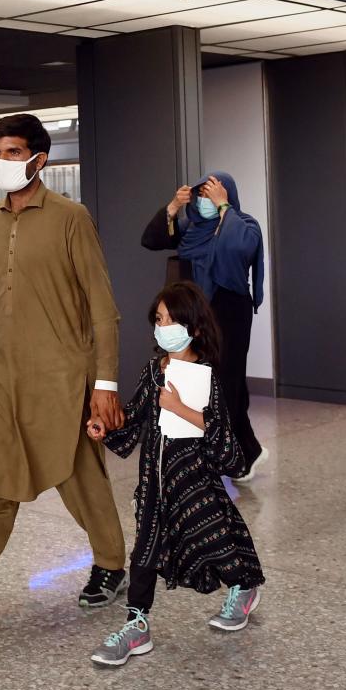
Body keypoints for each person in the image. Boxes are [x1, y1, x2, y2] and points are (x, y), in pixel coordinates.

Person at [0, 114, 128, 635]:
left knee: (78, 476)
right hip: (2, 378)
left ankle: (111, 564)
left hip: (61, 376)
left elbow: (103, 307)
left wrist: (104, 383)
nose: (2, 162)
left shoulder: (70, 217)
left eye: (13, 152)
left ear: (39, 159)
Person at [87, 282, 265, 666]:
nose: (161, 326)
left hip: (196, 484)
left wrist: (179, 407)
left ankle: (244, 586)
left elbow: (225, 444)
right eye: (158, 319)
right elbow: (133, 420)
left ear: (194, 327)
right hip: (155, 482)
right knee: (145, 552)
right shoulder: (155, 371)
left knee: (215, 541)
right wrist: (106, 429)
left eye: (168, 319)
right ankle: (137, 626)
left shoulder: (207, 377)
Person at [142, 173, 267, 482]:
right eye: (200, 195)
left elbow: (233, 250)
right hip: (197, 317)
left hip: (229, 313)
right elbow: (151, 239)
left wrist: (223, 205)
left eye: (211, 194)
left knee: (225, 385)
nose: (204, 201)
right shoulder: (190, 229)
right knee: (205, 387)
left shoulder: (245, 226)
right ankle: (245, 453)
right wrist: (173, 206)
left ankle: (230, 457)